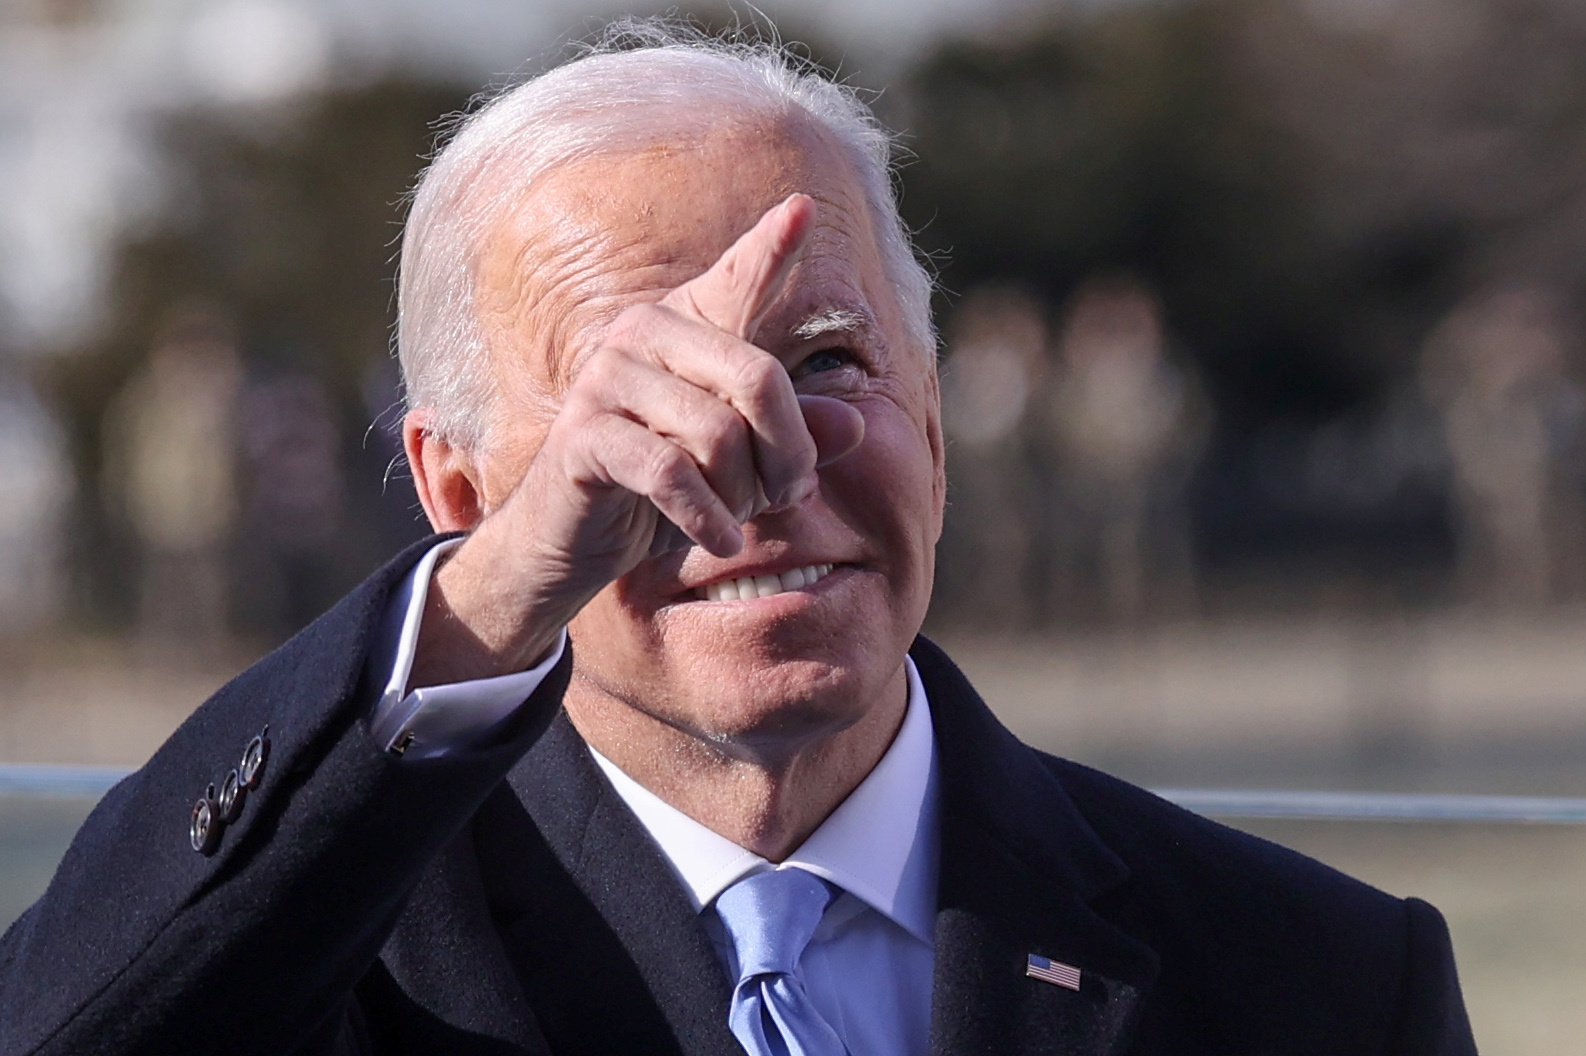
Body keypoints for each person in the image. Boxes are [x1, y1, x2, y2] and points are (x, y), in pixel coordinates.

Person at [1, 24, 1475, 1056]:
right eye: (630, 391)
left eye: (827, 361)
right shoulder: (323, 959)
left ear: (936, 414)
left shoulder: (1320, 982)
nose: (750, 459)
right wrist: (506, 589)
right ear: (458, 496)